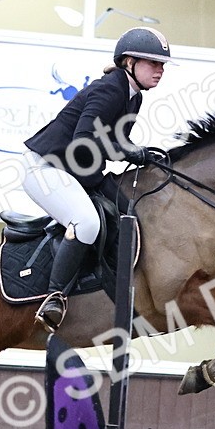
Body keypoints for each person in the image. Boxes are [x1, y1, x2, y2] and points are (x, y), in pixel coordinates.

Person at [22, 26, 171, 332]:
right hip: (46, 168)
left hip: (77, 171)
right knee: (87, 223)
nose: (160, 70)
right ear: (129, 61)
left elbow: (113, 147)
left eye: (162, 65)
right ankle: (55, 297)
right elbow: (85, 140)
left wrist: (139, 155)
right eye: (153, 63)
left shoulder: (133, 98)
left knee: (129, 208)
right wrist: (132, 153)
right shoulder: (110, 89)